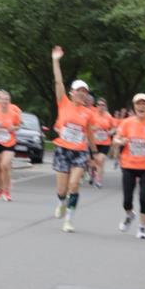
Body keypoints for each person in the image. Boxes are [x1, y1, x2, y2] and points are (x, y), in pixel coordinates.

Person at [51, 45, 99, 233]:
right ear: (71, 92)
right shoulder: (63, 103)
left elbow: (89, 134)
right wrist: (55, 60)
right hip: (63, 149)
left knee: (74, 185)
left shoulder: (88, 113)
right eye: (78, 90)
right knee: (62, 190)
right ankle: (61, 202)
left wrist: (94, 155)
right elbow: (58, 82)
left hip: (79, 151)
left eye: (84, 91)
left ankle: (69, 220)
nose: (81, 93)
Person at [114, 94, 145, 239]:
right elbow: (116, 138)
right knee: (127, 199)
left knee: (143, 197)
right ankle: (129, 214)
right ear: (134, 106)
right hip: (129, 164)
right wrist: (120, 141)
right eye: (138, 104)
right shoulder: (127, 122)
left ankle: (142, 227)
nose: (141, 106)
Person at [0, 90, 22, 201]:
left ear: (9, 101)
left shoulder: (14, 113)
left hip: (9, 141)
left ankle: (6, 192)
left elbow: (18, 126)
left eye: (6, 99)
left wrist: (14, 128)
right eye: (2, 99)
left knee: (5, 165)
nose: (4, 101)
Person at [90, 97, 116, 187]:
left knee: (100, 160)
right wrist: (94, 128)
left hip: (105, 142)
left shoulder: (108, 116)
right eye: (99, 105)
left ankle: (98, 180)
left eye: (103, 105)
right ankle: (93, 170)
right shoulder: (92, 115)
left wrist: (110, 132)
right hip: (94, 142)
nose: (101, 107)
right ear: (96, 106)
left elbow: (114, 128)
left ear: (105, 106)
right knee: (94, 162)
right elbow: (87, 127)